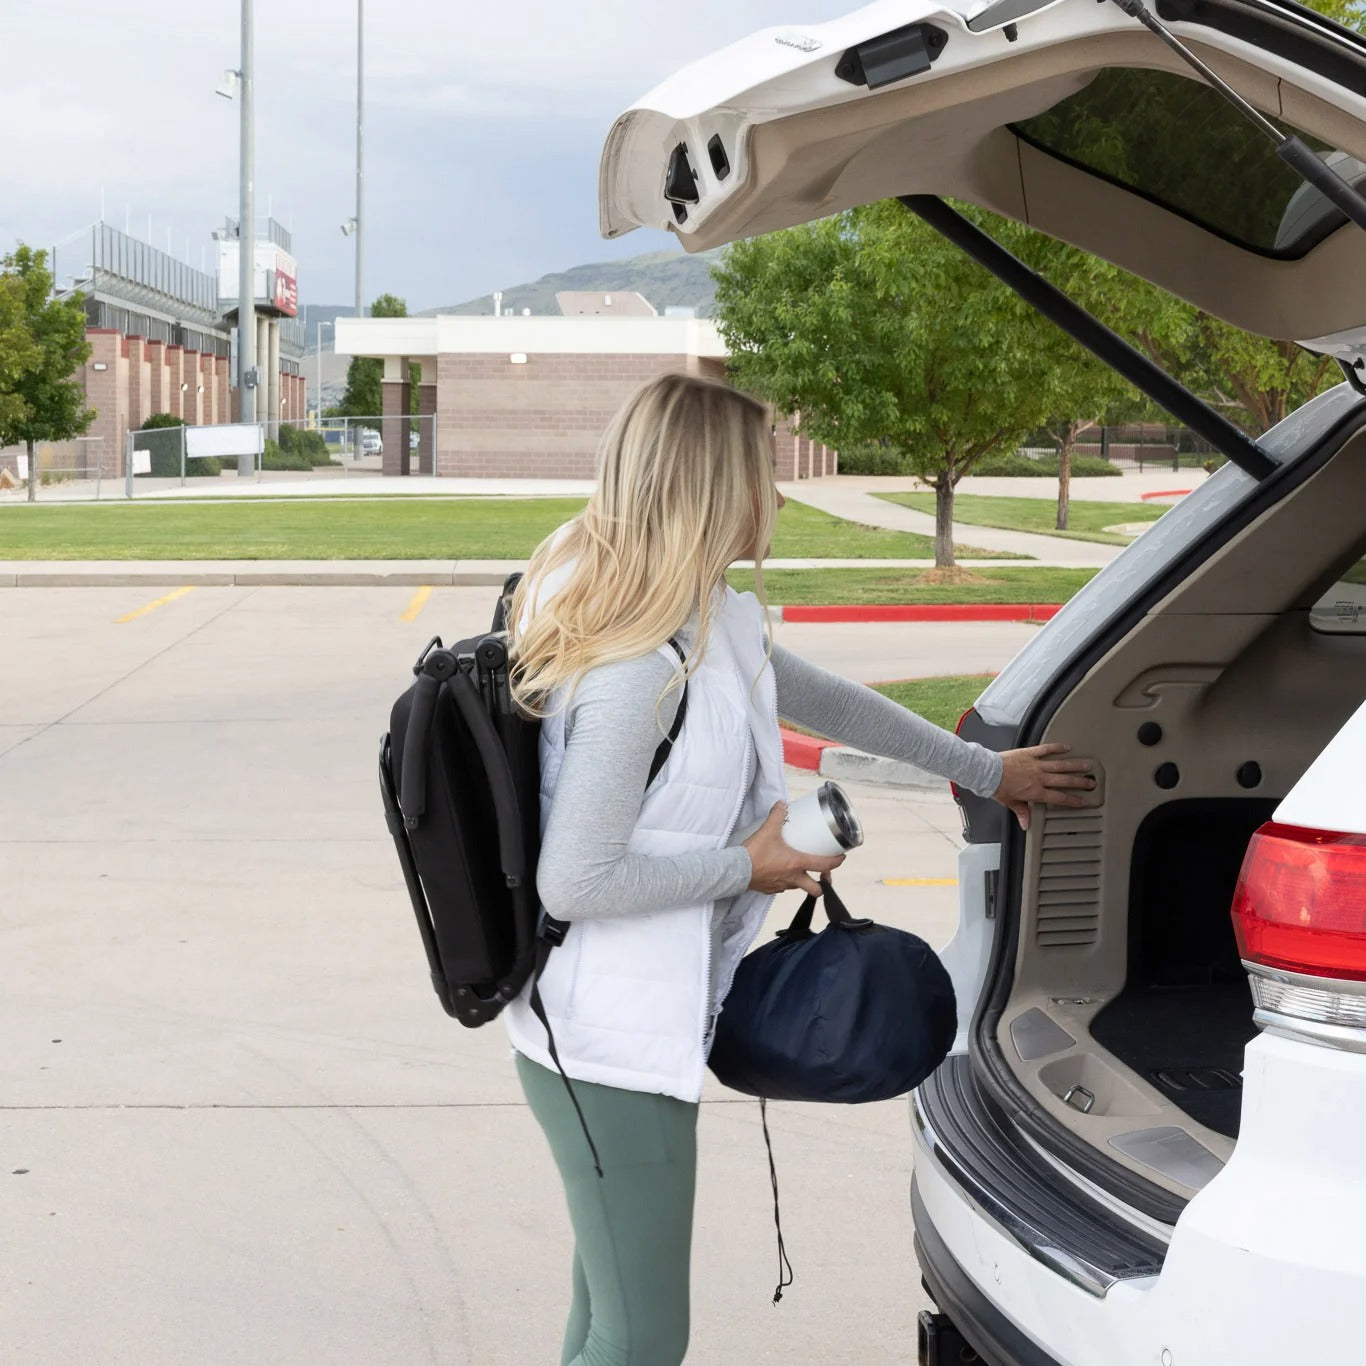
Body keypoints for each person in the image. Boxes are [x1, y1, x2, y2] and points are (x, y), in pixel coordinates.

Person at [503, 373, 1094, 1366]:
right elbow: (576, 882)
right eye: (764, 471)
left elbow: (833, 703)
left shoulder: (711, 617)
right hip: (601, 1039)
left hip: (627, 1022)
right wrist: (752, 863)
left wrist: (987, 770)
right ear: (710, 486)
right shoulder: (636, 668)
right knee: (642, 1336)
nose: (778, 495)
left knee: (606, 1316)